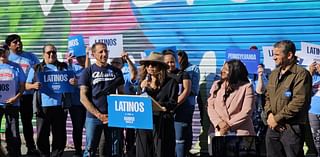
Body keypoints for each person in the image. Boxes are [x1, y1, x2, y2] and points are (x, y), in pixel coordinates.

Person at [264, 40, 312, 157]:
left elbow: (299, 102)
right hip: (273, 127)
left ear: (289, 55)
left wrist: (277, 118)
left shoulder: (301, 74)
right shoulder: (274, 74)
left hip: (291, 128)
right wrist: (269, 115)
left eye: (277, 54)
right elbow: (267, 97)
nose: (274, 58)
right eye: (273, 55)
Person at [79, 42, 125, 157]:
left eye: (106, 51)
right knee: (90, 149)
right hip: (93, 117)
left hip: (112, 117)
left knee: (113, 149)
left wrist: (120, 114)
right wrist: (99, 115)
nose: (104, 54)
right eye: (100, 52)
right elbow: (83, 98)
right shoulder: (88, 71)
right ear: (94, 54)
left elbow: (122, 93)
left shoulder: (116, 71)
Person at [26, 44, 71, 157]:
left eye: (54, 52)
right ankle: (44, 155)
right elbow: (26, 85)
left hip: (59, 106)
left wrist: (73, 82)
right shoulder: (36, 68)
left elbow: (72, 80)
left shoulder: (63, 66)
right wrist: (33, 86)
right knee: (42, 135)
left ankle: (57, 154)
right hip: (42, 107)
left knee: (59, 135)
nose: (51, 54)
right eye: (49, 52)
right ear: (43, 54)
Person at [136, 52, 179, 157]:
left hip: (163, 123)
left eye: (153, 64)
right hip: (145, 123)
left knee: (162, 152)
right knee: (144, 152)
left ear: (161, 67)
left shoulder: (171, 82)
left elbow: (173, 103)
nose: (150, 67)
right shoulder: (143, 82)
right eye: (148, 65)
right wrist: (142, 89)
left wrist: (159, 105)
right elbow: (138, 102)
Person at [5, 34, 40, 155]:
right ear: (9, 46)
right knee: (11, 124)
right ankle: (12, 149)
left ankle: (31, 147)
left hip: (27, 95)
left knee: (27, 122)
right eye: (15, 42)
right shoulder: (6, 58)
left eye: (19, 41)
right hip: (10, 96)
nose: (19, 44)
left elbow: (38, 70)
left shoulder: (30, 56)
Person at [207, 59, 255, 136]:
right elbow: (210, 107)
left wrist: (228, 125)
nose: (222, 70)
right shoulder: (216, 84)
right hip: (218, 131)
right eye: (222, 68)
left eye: (226, 69)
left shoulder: (247, 87)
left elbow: (247, 111)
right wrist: (219, 123)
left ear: (235, 72)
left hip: (240, 132)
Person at [163, 50, 192, 157]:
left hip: (180, 110)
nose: (170, 64)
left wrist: (174, 105)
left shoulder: (183, 74)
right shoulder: (161, 75)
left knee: (179, 138)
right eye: (167, 62)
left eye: (172, 61)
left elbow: (186, 91)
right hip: (165, 111)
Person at [0, 44, 25, 157]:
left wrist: (16, 97)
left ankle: (14, 154)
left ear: (8, 52)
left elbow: (22, 86)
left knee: (13, 130)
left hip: (13, 103)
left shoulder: (16, 67)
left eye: (3, 51)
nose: (2, 54)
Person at [65, 51, 90, 157]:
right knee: (77, 127)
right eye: (78, 57)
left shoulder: (91, 67)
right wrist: (69, 63)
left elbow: (88, 76)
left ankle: (90, 150)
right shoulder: (73, 67)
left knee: (90, 127)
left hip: (89, 103)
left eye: (83, 57)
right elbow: (67, 78)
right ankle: (78, 150)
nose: (81, 59)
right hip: (76, 103)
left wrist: (78, 83)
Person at [177, 50, 200, 153]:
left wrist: (184, 89)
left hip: (187, 103)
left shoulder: (193, 69)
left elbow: (194, 89)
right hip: (174, 103)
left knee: (186, 126)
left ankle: (187, 150)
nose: (178, 61)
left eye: (180, 59)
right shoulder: (172, 70)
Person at [308, 61, 320, 157]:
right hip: (313, 111)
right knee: (316, 138)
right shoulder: (311, 77)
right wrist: (310, 73)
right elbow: (303, 88)